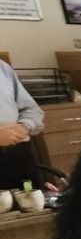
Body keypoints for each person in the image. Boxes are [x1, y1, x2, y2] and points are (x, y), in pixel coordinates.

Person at [0, 58, 44, 189]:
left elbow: (31, 108)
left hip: (18, 155)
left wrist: (24, 126)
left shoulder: (2, 67)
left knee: (31, 199)